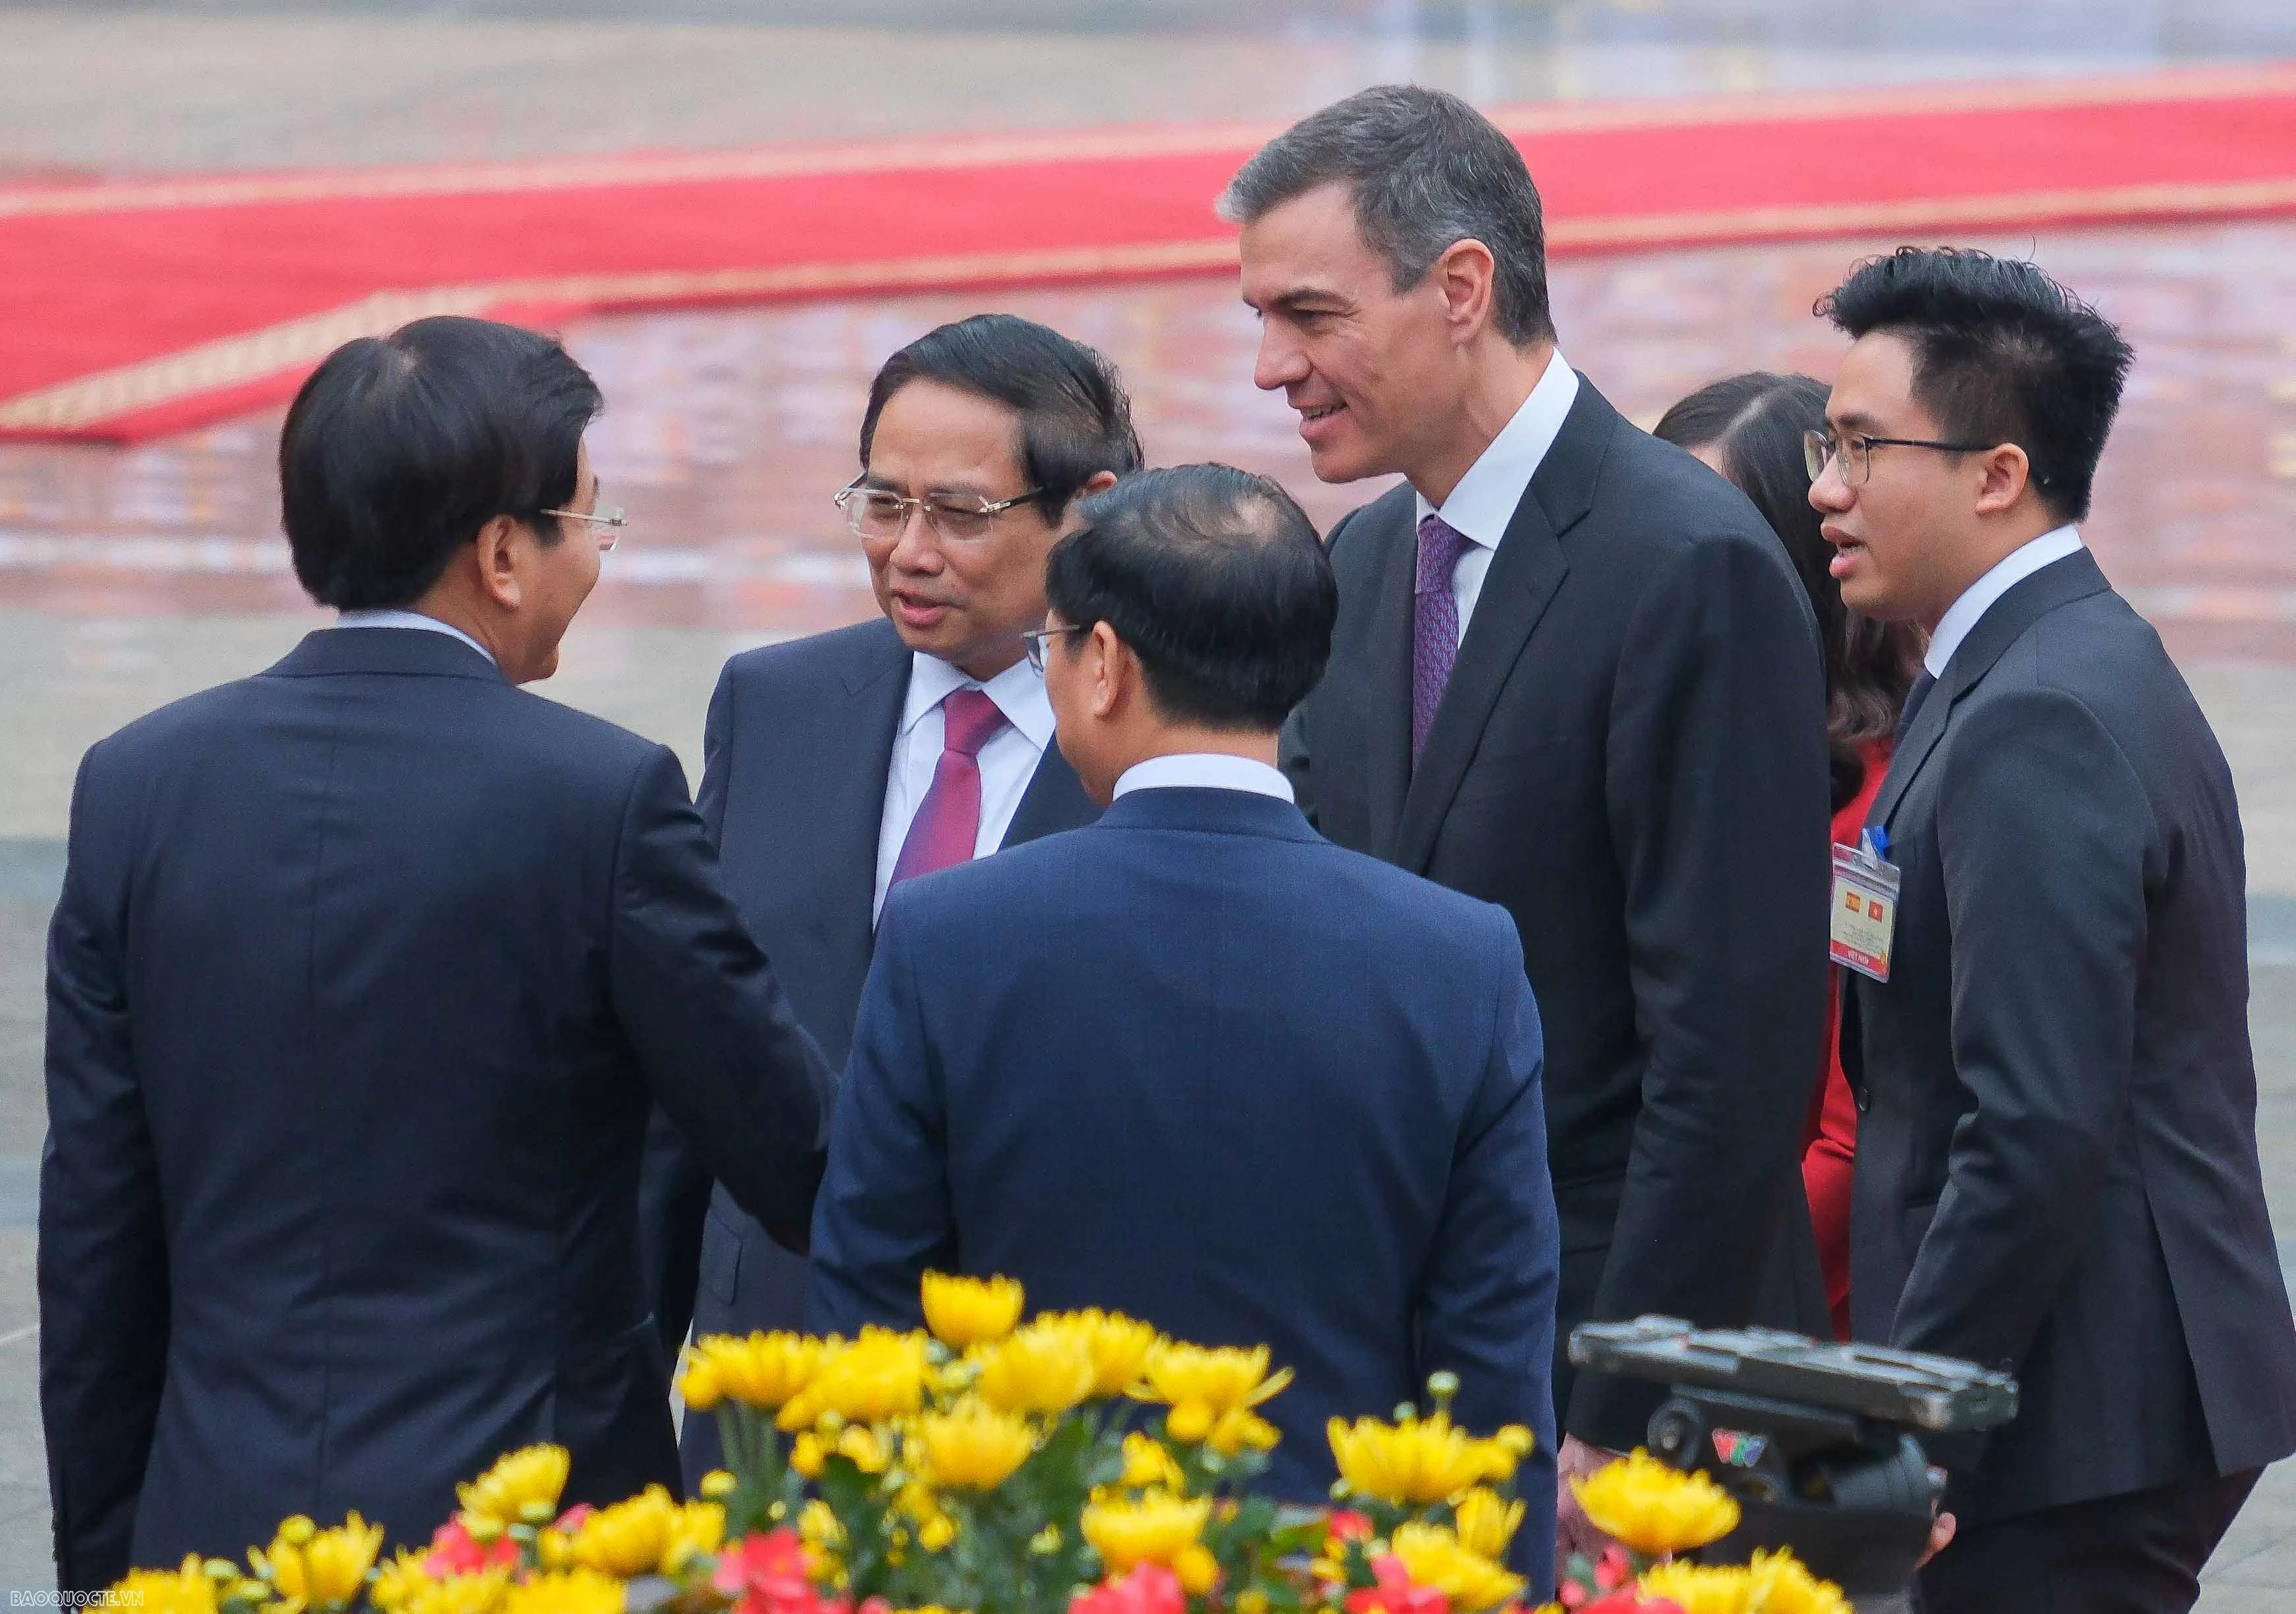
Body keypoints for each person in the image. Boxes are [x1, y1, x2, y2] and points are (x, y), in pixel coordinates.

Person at [40, 317, 833, 1589]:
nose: (596, 555)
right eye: (589, 520)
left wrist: (100, 1563)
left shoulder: (137, 784)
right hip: (523, 1535)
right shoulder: (604, 797)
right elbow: (793, 1153)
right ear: (504, 552)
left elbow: (95, 1230)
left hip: (218, 1521)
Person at [1222, 85, 1833, 1560]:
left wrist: (1616, 1406)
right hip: (1406, 1366)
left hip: (1626, 1409)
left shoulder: (1685, 565)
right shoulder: (1368, 563)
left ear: (1461, 289)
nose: (1268, 369)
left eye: (1309, 314)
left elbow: (1730, 1053)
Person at [808, 464, 1562, 1590]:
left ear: (1102, 662)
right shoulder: (1459, 958)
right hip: (1332, 1572)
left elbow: (866, 1321)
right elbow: (1495, 1372)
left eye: (1052, 645)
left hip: (1029, 1567)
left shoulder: (948, 936)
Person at [1815, 246, 2296, 1611]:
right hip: (2086, 1390)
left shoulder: (2038, 715)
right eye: (1824, 441)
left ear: (1997, 473)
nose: (1825, 489)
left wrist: (1914, 1424)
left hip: (2084, 1410)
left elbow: (2030, 1126)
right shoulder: (2034, 661)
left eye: (1861, 445)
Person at [639, 314, 1129, 1483]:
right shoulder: (773, 704)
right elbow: (690, 1064)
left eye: (959, 513)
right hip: (776, 1379)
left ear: (1089, 509)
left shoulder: (1157, 739)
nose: (909, 550)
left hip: (1046, 1391)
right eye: (882, 502)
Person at [1653, 372, 1922, 1341]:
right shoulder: (1678, 743)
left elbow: (1851, 1147)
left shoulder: (1864, 813)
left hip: (1766, 1333)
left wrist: (1669, 1309)